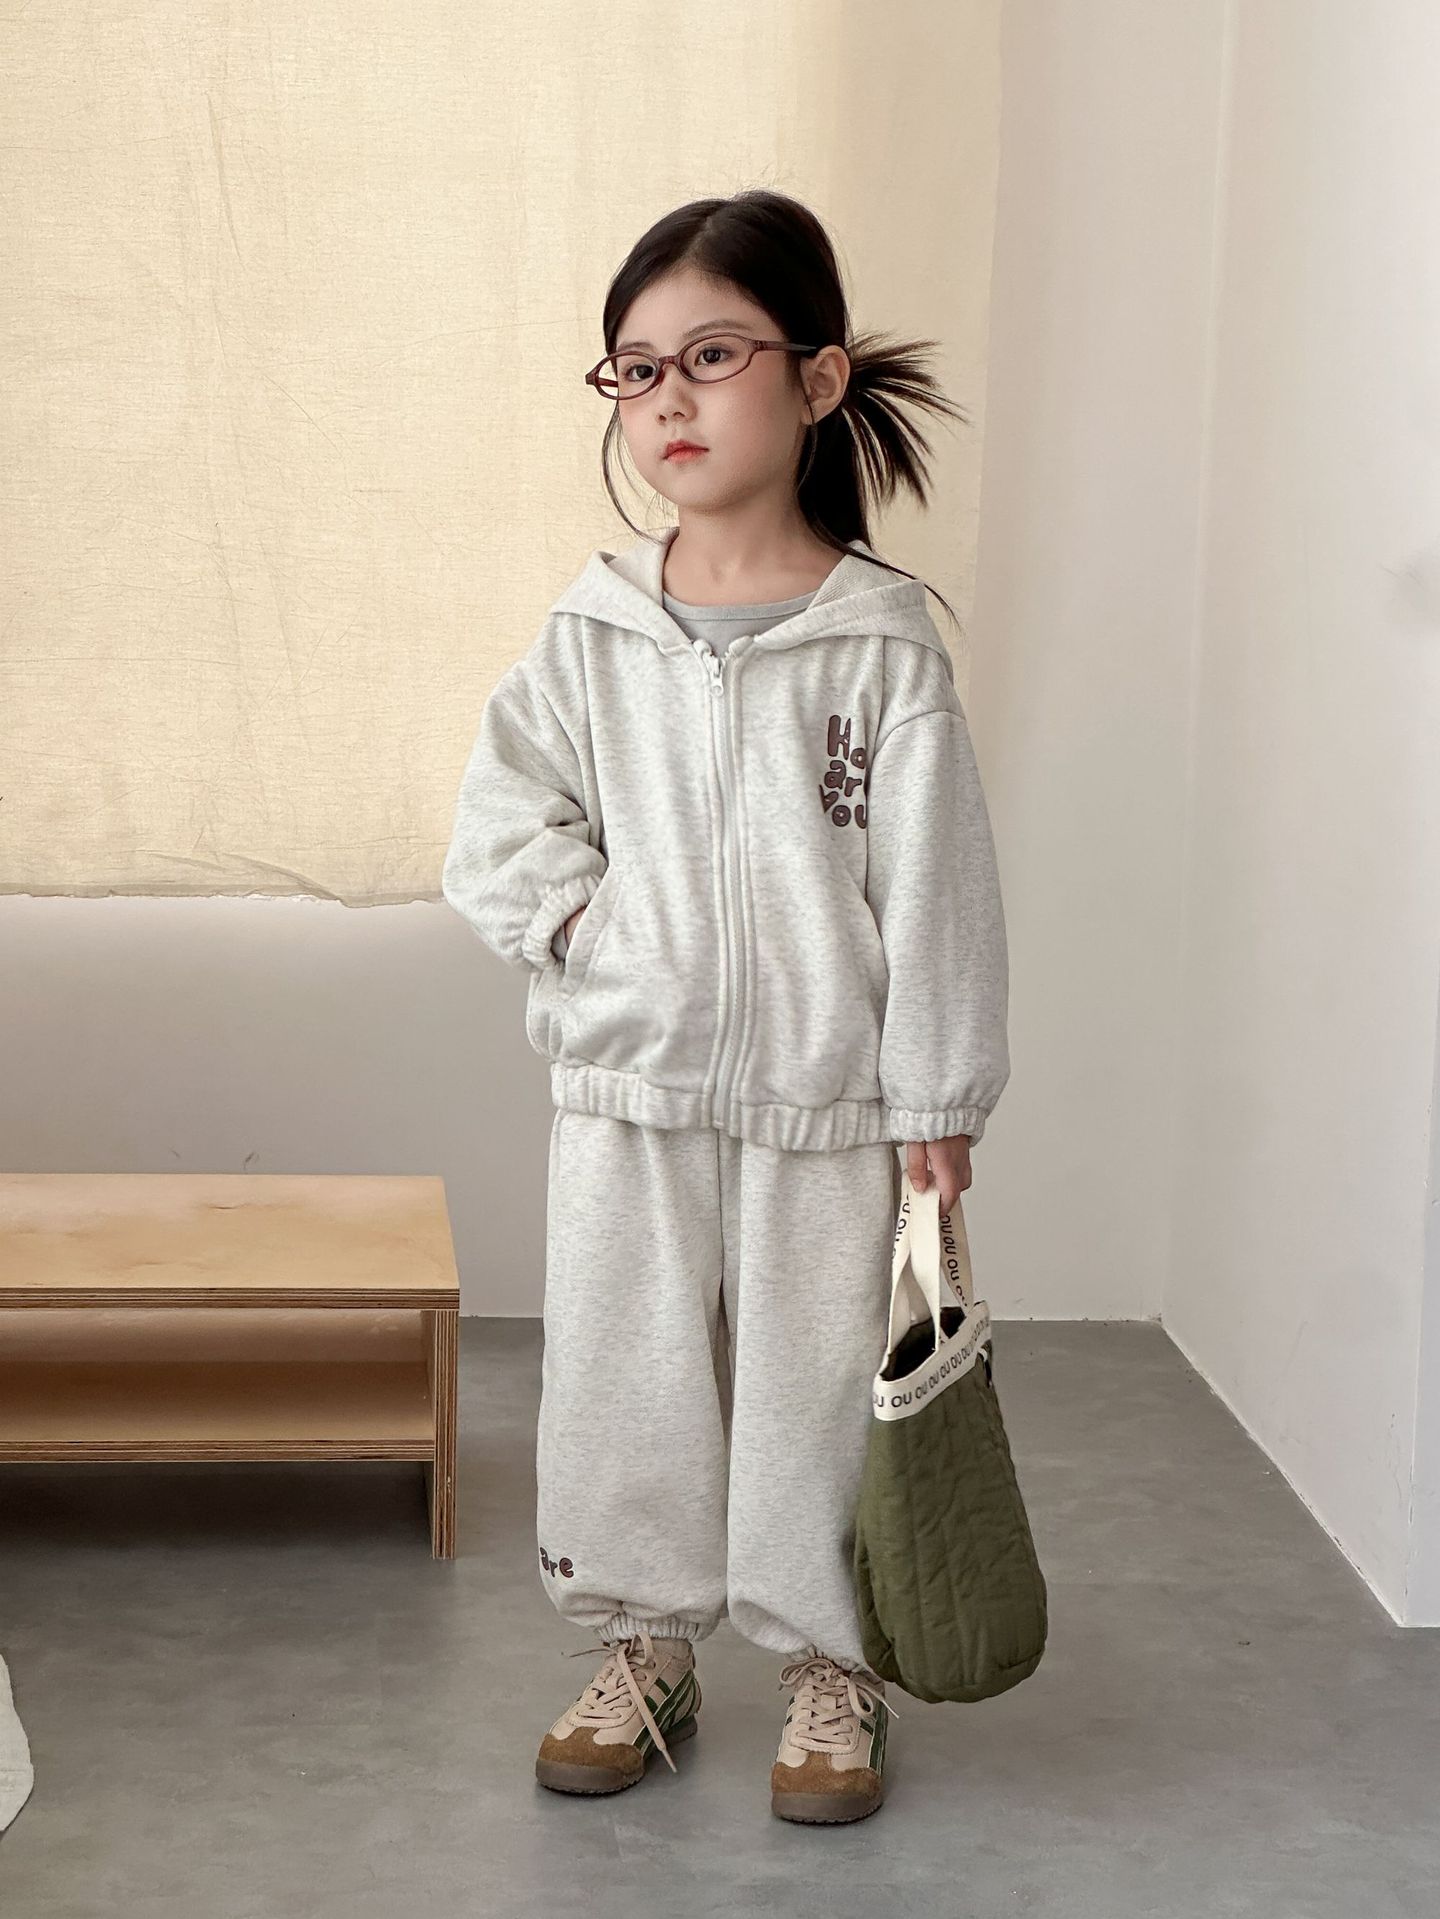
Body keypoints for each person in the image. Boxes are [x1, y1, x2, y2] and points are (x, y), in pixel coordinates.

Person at [441, 188, 1010, 1825]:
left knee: (817, 1393)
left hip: (830, 1104)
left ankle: (833, 1663)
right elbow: (501, 822)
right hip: (626, 1089)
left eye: (711, 356)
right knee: (622, 1378)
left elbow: (938, 887)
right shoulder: (594, 632)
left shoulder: (880, 646)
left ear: (818, 380)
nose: (667, 399)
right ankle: (641, 1646)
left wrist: (939, 1095)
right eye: (634, 370)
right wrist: (592, 929)